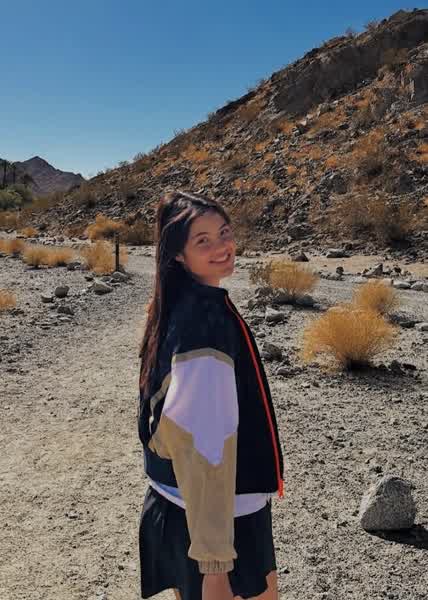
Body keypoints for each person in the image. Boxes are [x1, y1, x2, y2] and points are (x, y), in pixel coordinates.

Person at [137, 189, 285, 600]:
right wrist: (215, 565)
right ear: (178, 254)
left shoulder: (180, 304)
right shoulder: (205, 324)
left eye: (224, 232)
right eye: (203, 240)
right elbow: (205, 444)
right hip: (217, 517)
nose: (222, 246)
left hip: (184, 503)